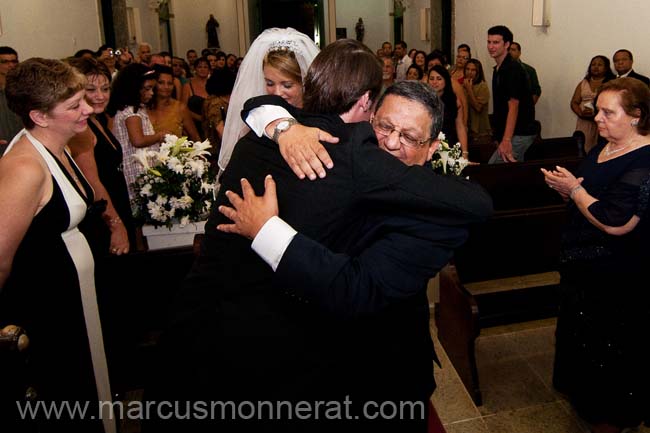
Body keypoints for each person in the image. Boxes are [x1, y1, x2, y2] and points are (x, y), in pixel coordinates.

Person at [154, 39, 491, 432]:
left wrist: (267, 230)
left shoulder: (433, 213)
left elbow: (357, 288)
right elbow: (263, 106)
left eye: (410, 136)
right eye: (384, 126)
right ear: (368, 114)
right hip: (306, 366)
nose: (392, 142)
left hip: (385, 373)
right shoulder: (334, 155)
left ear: (432, 147)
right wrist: (283, 126)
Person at [0, 58, 115, 433]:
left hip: (73, 300)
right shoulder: (24, 168)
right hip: (47, 307)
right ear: (40, 116)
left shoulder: (64, 144)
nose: (88, 108)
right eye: (74, 106)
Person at [542, 77, 650, 433]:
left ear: (636, 116)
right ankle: (586, 401)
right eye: (597, 110)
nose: (597, 117)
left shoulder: (645, 159)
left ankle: (613, 414)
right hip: (583, 267)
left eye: (608, 112)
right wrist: (567, 189)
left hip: (616, 272)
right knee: (582, 337)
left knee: (611, 347)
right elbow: (592, 193)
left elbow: (617, 222)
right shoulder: (604, 147)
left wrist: (574, 190)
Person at [218, 27, 320, 171]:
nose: (277, 93)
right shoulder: (256, 119)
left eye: (287, 85)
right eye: (270, 83)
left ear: (304, 82)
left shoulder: (319, 117)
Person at [66, 57, 135, 255]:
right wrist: (115, 225)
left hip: (116, 204)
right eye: (91, 89)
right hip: (103, 217)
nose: (100, 96)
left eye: (105, 89)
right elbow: (93, 182)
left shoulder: (97, 120)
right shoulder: (81, 129)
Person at [107, 63, 168, 204]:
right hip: (136, 167)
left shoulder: (135, 109)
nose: (151, 93)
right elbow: (138, 140)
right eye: (147, 89)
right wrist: (159, 136)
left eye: (152, 88)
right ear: (133, 88)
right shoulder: (132, 112)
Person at [486, 25, 536, 164]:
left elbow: (513, 105)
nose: (491, 46)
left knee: (493, 171)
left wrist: (506, 140)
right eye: (489, 42)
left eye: (496, 42)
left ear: (507, 44)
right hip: (510, 133)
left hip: (519, 132)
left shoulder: (513, 69)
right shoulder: (498, 69)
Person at [571, 55, 616, 154]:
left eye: (600, 65)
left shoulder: (611, 82)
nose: (596, 67)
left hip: (604, 120)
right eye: (593, 64)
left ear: (606, 67)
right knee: (583, 147)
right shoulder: (583, 83)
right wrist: (581, 113)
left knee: (601, 148)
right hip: (584, 121)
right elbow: (574, 102)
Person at [427, 64, 469, 157]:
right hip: (428, 146)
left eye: (439, 79)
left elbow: (460, 126)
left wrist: (465, 153)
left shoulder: (454, 100)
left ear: (446, 81)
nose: (434, 82)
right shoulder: (424, 100)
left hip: (449, 144)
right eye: (431, 78)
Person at [463, 58, 492, 158]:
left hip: (480, 132)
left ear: (478, 72)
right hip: (466, 130)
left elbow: (478, 108)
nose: (469, 72)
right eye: (467, 69)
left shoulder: (482, 86)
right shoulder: (462, 86)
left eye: (473, 70)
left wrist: (469, 90)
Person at [0, 46, 22, 154]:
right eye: (4, 62)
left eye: (14, 61)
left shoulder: (23, 90)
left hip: (20, 146)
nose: (11, 65)